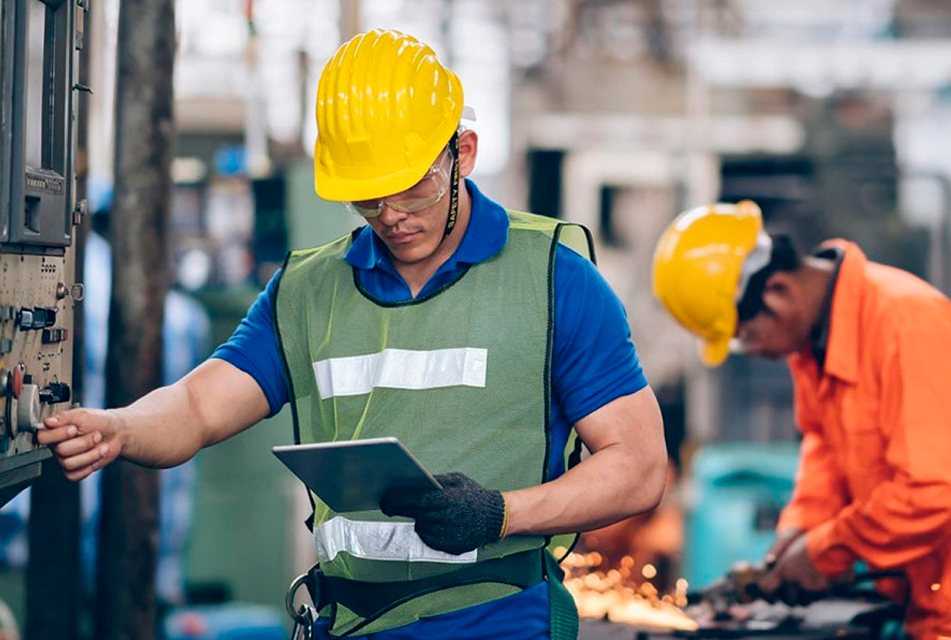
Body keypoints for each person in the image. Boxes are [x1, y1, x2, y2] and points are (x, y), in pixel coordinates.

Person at [39, 29, 667, 639]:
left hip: (499, 620)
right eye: (367, 198)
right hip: (351, 622)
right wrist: (120, 428)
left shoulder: (557, 279)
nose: (390, 217)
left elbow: (639, 467)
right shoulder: (307, 291)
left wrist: (501, 514)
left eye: (410, 188)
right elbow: (200, 404)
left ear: (463, 153)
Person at [651, 200, 951, 639]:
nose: (752, 353)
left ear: (776, 291)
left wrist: (826, 550)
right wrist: (796, 536)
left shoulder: (906, 325)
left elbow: (934, 488)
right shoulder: (814, 346)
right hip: (919, 609)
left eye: (744, 338)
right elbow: (825, 451)